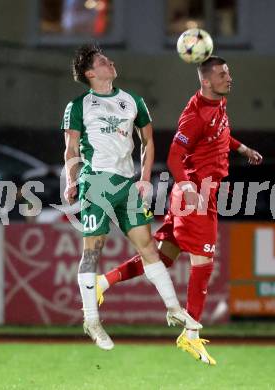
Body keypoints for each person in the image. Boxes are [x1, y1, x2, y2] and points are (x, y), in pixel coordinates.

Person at [94, 56, 263, 363]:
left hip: (197, 194)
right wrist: (186, 186)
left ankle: (103, 283)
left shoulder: (217, 104)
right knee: (204, 262)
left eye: (229, 73)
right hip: (196, 195)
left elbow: (220, 134)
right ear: (206, 81)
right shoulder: (196, 114)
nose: (229, 78)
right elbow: (174, 154)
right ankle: (191, 335)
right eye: (223, 75)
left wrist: (241, 149)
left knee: (163, 258)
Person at [61, 43, 201, 351]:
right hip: (96, 182)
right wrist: (72, 179)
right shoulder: (79, 105)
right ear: (90, 73)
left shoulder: (132, 100)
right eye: (102, 61)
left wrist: (145, 178)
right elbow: (71, 148)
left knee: (148, 247)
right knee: (93, 251)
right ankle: (92, 320)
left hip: (127, 185)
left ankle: (173, 308)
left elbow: (148, 141)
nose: (110, 62)